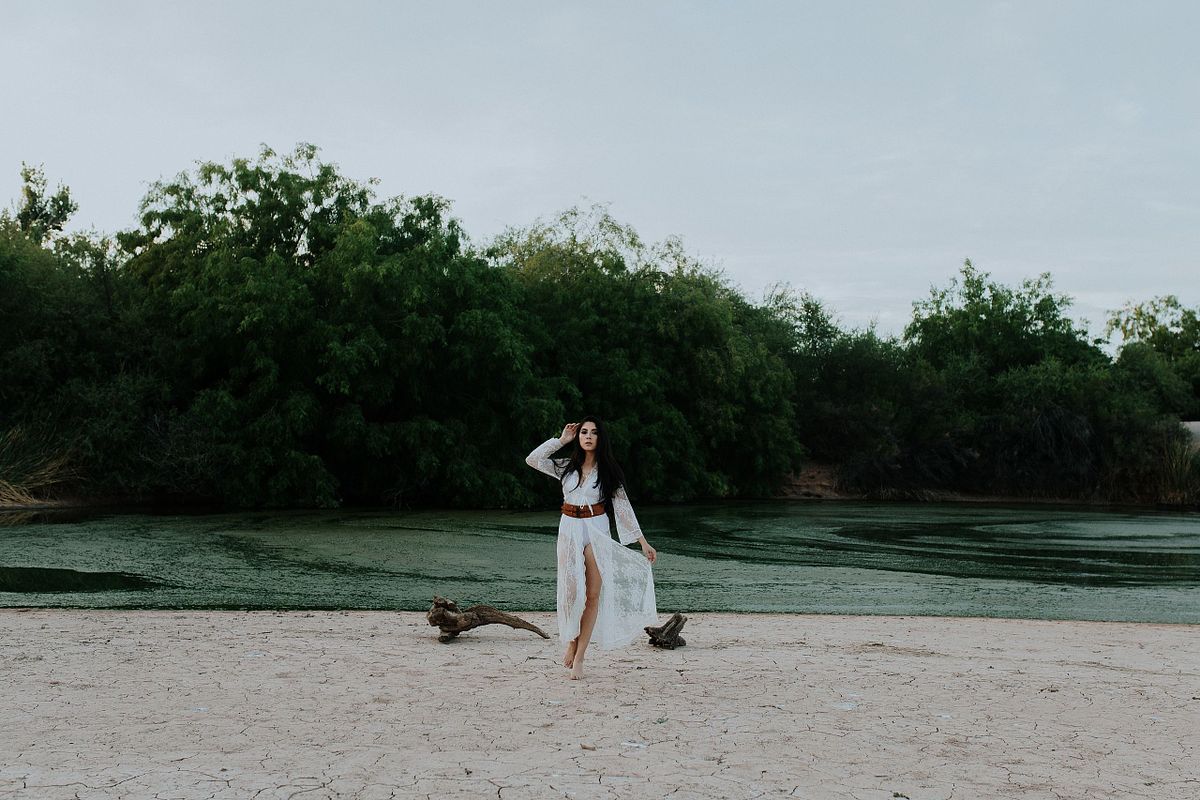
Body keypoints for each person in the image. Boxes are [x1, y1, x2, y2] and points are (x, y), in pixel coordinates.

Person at [525, 417, 658, 680]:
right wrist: (561, 441)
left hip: (596, 527)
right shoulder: (565, 467)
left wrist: (642, 541)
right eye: (583, 432)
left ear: (600, 438)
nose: (587, 436)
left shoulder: (608, 471)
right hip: (569, 527)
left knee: (593, 595)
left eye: (593, 432)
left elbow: (623, 507)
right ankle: (571, 640)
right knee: (572, 592)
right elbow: (533, 459)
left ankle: (580, 656)